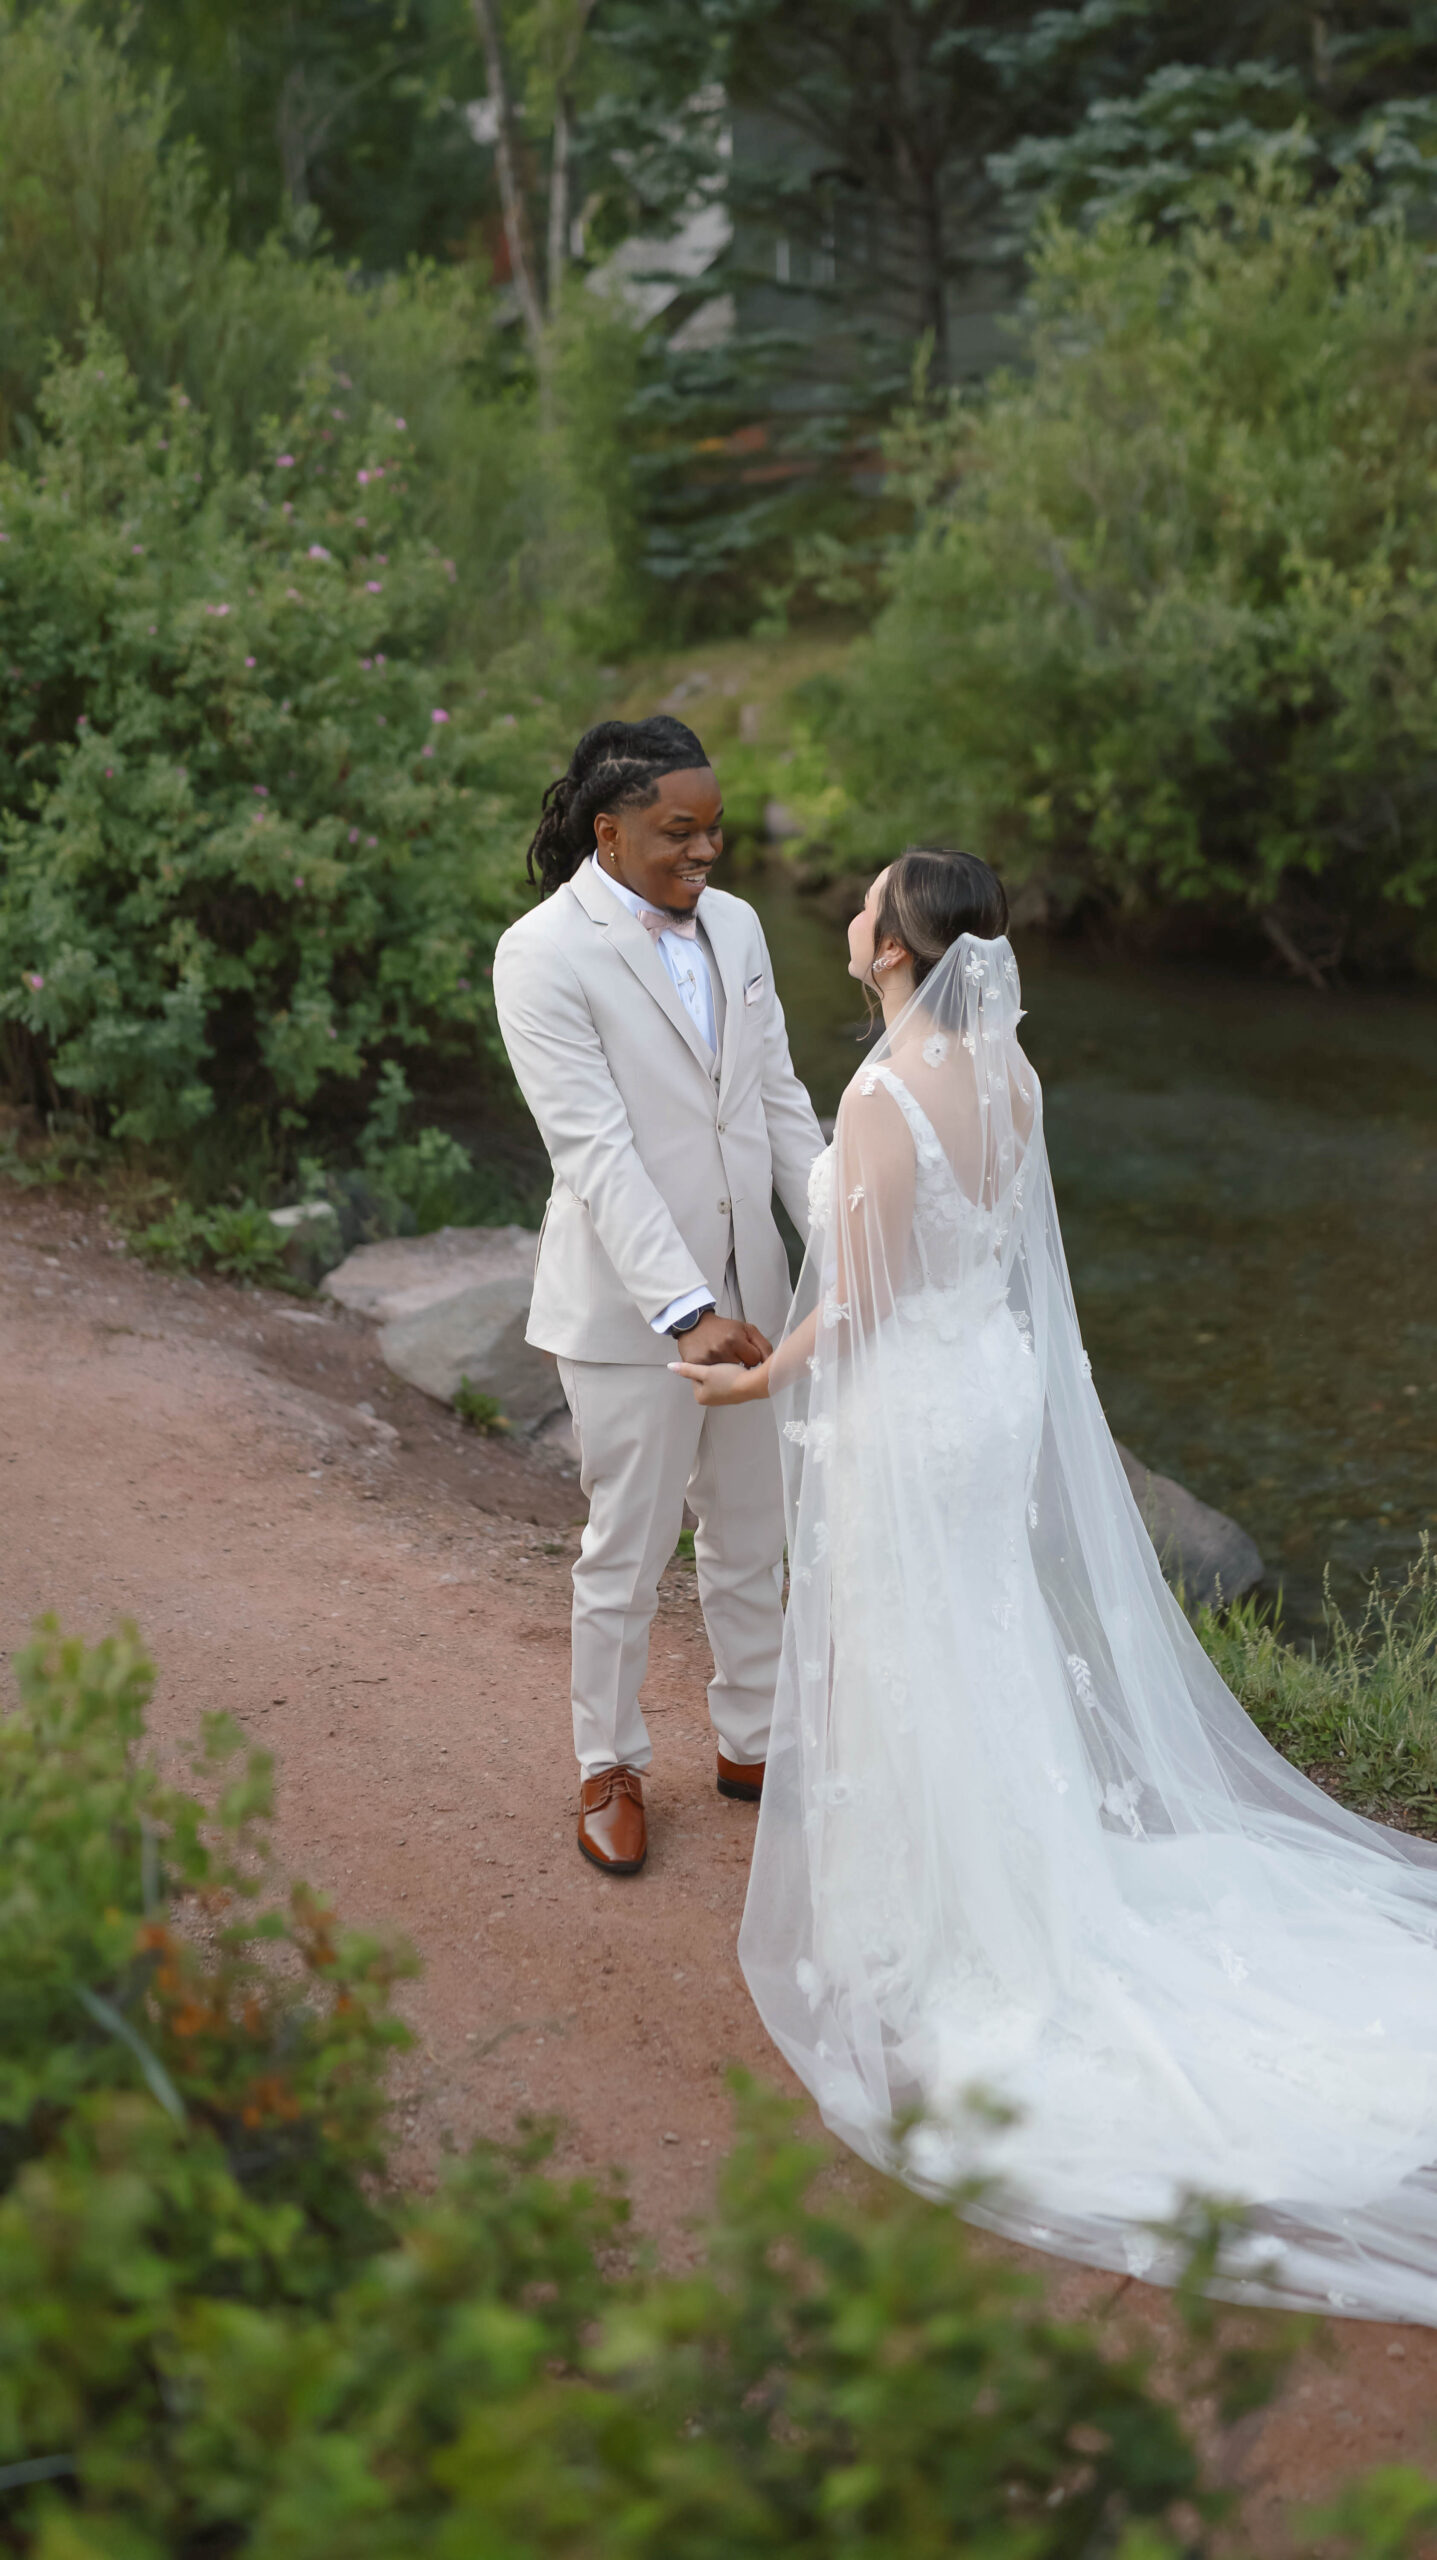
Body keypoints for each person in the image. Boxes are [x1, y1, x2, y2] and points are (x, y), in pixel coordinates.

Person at [675, 844, 1437, 2324]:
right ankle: (987, 1880)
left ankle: (952, 1928)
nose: (848, 913)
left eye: (866, 899)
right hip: (989, 1391)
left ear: (895, 944)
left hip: (915, 1397)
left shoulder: (885, 1091)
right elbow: (987, 1262)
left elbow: (871, 1292)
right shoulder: (1012, 1078)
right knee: (973, 1629)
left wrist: (765, 1370)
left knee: (909, 1637)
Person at [493, 716, 825, 1877]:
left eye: (716, 826)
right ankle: (611, 1764)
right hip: (632, 1312)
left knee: (750, 1533)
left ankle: (749, 1742)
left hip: (757, 1291)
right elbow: (594, 1150)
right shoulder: (541, 955)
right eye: (680, 831)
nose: (708, 851)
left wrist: (849, 1231)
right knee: (625, 1549)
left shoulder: (734, 928)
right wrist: (687, 1308)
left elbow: (778, 1097)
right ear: (611, 828)